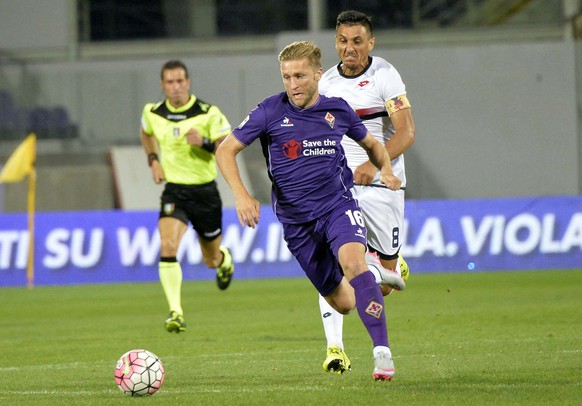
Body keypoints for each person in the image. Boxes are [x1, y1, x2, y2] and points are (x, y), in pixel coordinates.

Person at [216, 40, 401, 381]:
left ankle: (382, 355)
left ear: (318, 74)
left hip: (337, 206)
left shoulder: (337, 110)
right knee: (344, 303)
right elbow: (225, 151)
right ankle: (375, 274)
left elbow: (373, 144)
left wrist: (384, 169)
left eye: (300, 76)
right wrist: (242, 196)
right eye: (286, 77)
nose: (292, 84)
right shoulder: (269, 112)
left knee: (352, 262)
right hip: (297, 223)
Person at [316, 10, 416, 374]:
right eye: (343, 41)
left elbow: (406, 132)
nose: (349, 48)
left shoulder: (385, 76)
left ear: (370, 43)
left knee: (381, 283)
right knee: (339, 265)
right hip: (342, 189)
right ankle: (335, 348)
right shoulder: (326, 84)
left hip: (384, 186)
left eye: (357, 41)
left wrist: (374, 164)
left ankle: (390, 265)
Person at [140, 60, 235, 334]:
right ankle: (175, 312)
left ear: (188, 82)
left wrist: (204, 143)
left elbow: (226, 148)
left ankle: (224, 259)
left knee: (211, 260)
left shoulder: (208, 113)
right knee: (168, 245)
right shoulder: (152, 112)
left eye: (180, 80)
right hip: (175, 192)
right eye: (170, 82)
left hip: (205, 192)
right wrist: (153, 160)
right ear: (163, 85)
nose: (176, 86)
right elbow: (146, 133)